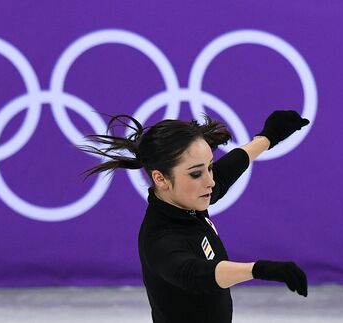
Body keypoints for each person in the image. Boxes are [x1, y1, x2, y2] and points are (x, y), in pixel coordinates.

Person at [78, 110, 310, 323]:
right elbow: (196, 274)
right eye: (196, 173)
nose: (209, 180)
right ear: (161, 179)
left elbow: (229, 169)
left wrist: (268, 137)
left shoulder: (187, 201)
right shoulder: (159, 237)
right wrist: (258, 269)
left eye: (209, 167)